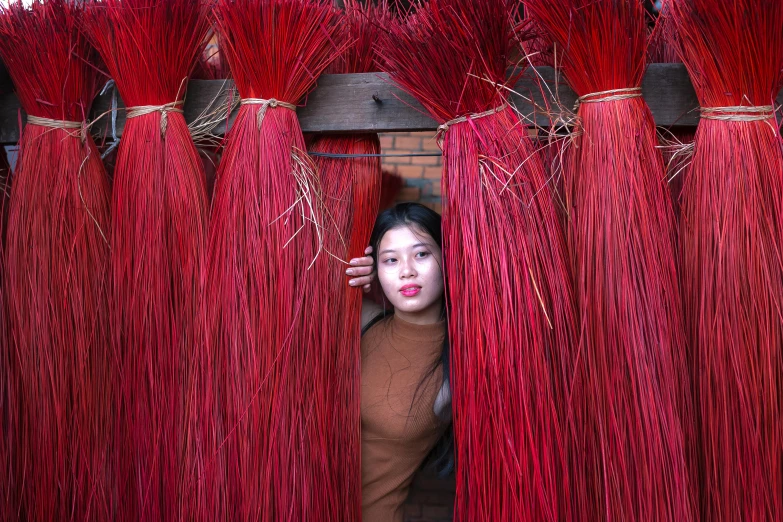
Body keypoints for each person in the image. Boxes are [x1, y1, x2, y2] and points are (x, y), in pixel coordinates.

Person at [345, 202, 453, 522]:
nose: (406, 270)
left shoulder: (458, 364)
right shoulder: (363, 321)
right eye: (390, 260)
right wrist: (345, 279)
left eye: (421, 254)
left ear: (447, 258)